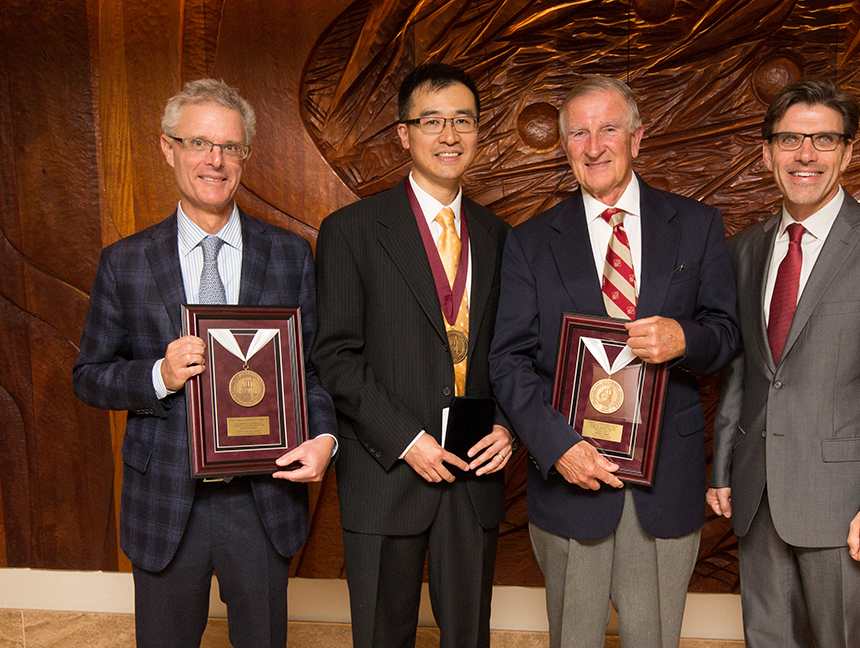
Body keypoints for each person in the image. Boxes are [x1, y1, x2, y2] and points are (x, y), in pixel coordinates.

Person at [72, 78, 337, 648]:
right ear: (168, 148)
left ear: (245, 156)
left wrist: (324, 440)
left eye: (231, 147)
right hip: (166, 501)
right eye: (199, 143)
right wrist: (156, 377)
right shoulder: (124, 263)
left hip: (263, 497)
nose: (215, 161)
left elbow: (313, 370)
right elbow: (88, 377)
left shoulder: (290, 255)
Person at [489, 76, 740, 648]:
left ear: (637, 138)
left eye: (608, 129)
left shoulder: (696, 226)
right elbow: (508, 361)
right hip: (571, 479)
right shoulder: (530, 242)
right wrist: (558, 448)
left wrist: (685, 338)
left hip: (665, 480)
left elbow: (725, 336)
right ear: (564, 146)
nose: (594, 145)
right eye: (578, 132)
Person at [707, 78, 860, 647]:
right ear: (766, 153)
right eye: (790, 139)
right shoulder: (745, 248)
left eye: (823, 139)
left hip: (847, 505)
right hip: (758, 496)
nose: (805, 154)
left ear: (848, 151)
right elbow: (742, 371)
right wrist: (723, 469)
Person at [311, 63, 513, 648]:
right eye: (432, 121)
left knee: (468, 636)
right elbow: (337, 357)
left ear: (478, 132)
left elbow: (512, 352)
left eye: (463, 121)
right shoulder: (351, 230)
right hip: (387, 468)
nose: (449, 135)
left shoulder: (499, 235)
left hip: (474, 471)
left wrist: (506, 426)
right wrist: (407, 439)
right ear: (404, 134)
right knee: (381, 635)